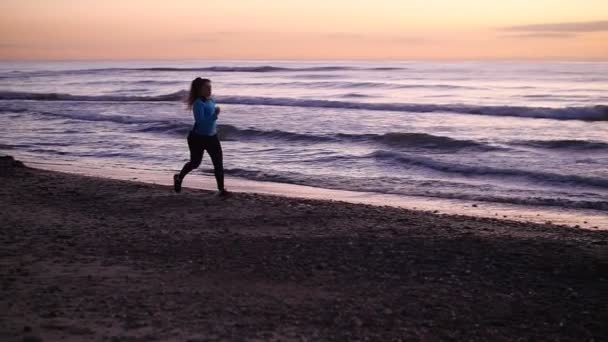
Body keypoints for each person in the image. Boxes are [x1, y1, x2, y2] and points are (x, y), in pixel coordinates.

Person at [174, 77, 228, 196]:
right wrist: (215, 115)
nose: (209, 90)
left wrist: (214, 128)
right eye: (206, 88)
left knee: (218, 163)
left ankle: (221, 190)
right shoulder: (198, 103)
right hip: (197, 139)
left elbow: (210, 123)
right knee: (195, 163)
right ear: (199, 90)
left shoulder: (211, 101)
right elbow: (201, 121)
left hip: (212, 137)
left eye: (210, 87)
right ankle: (179, 177)